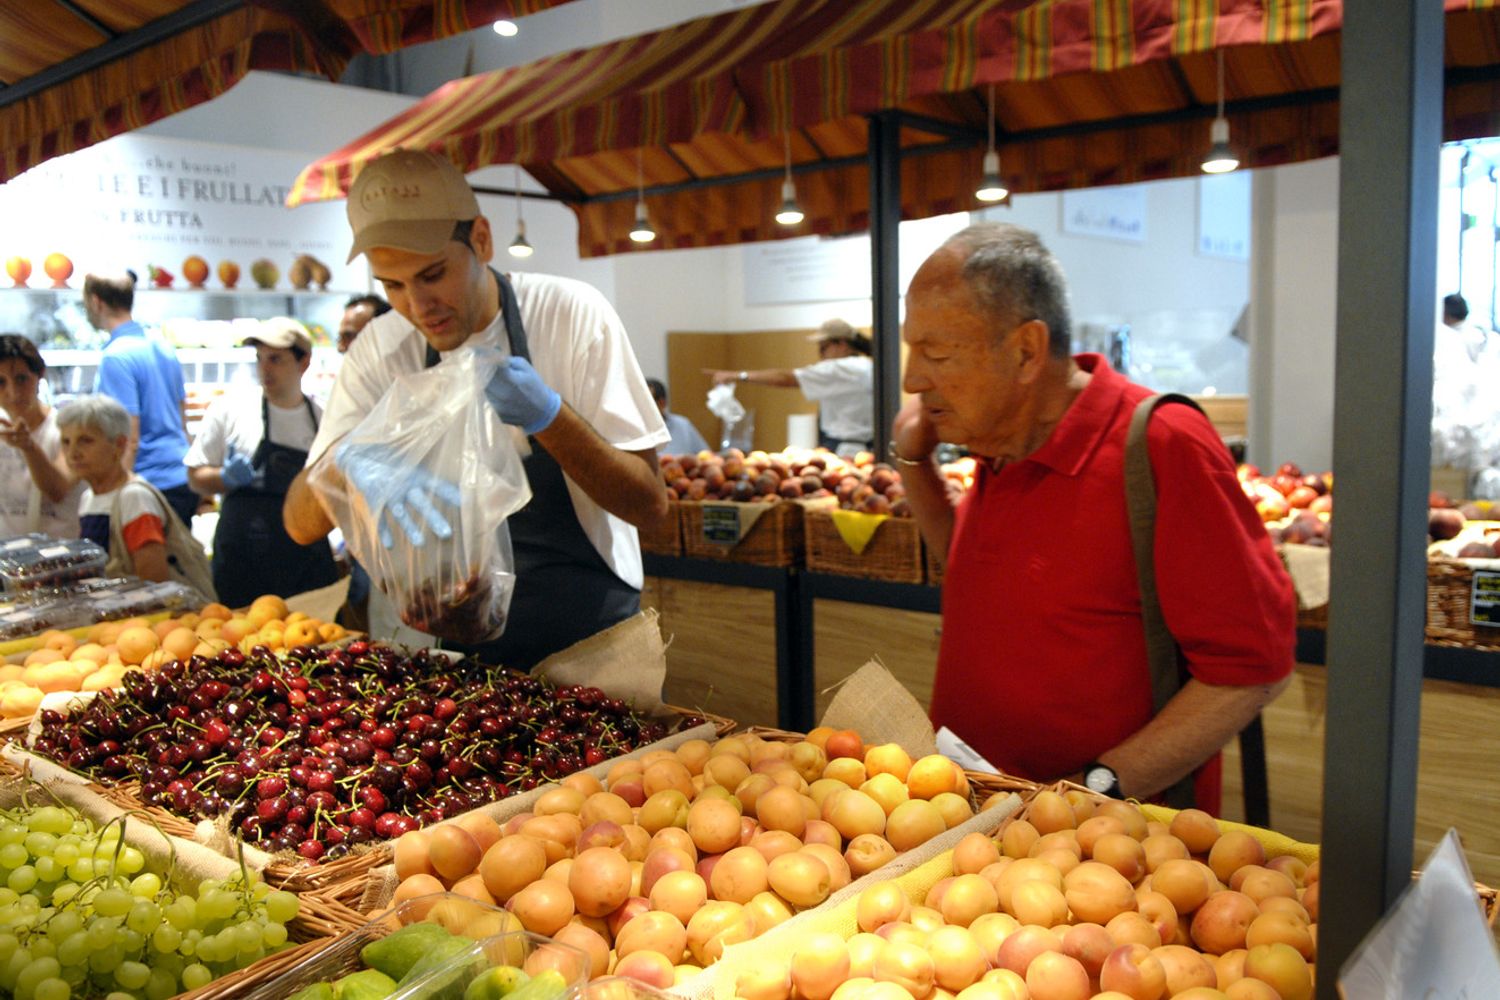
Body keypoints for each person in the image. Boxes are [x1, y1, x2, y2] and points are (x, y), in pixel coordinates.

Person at [892, 222, 1294, 814]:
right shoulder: (1000, 439)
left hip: (1107, 847)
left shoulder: (1161, 445)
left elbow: (1252, 671)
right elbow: (978, 576)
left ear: (1026, 351)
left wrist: (1095, 788)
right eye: (911, 349)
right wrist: (914, 466)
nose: (911, 379)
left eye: (938, 353)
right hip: (974, 816)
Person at [284, 148, 669, 667]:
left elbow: (649, 506)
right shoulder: (381, 349)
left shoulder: (570, 316)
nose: (418, 308)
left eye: (433, 274)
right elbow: (299, 524)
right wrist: (350, 461)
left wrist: (551, 418)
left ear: (482, 240)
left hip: (595, 640)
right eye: (393, 286)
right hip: (460, 642)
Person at [185, 317, 339, 608]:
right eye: (260, 359)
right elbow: (195, 476)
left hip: (304, 558)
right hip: (244, 556)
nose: (264, 369)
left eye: (276, 360)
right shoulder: (230, 410)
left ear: (303, 361)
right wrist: (223, 478)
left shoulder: (324, 419)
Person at [59, 395, 214, 594]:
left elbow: (153, 584)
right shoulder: (88, 498)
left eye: (85, 441)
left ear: (119, 445)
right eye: (66, 441)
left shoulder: (134, 499)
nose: (73, 452)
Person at [84, 271, 197, 528]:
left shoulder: (116, 357)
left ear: (96, 302)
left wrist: (116, 495)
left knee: (145, 568)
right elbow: (183, 419)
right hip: (181, 477)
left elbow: (128, 436)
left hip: (148, 485)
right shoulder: (163, 346)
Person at [705, 319, 874, 456]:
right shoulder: (865, 366)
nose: (820, 354)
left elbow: (787, 378)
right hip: (860, 447)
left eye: (823, 348)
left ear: (842, 344)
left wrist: (738, 376)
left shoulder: (840, 369)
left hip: (846, 449)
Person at [0, 334, 83, 538]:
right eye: (1, 382)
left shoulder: (68, 429)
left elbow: (57, 490)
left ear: (40, 375)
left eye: (21, 379)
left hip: (61, 560)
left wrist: (28, 446)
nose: (12, 392)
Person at [646, 378, 708, 457]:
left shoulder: (683, 425)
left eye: (646, 403)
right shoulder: (633, 430)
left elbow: (706, 455)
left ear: (662, 403)